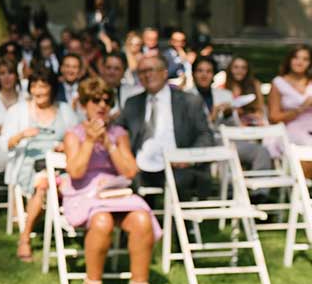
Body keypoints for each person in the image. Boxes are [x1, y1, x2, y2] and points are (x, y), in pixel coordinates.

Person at [61, 78, 161, 284]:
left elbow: (130, 171)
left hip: (117, 193)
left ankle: (140, 281)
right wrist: (90, 142)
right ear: (84, 104)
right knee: (102, 221)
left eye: (107, 100)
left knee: (142, 219)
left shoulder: (119, 133)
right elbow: (75, 172)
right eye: (95, 100)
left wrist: (108, 144)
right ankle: (93, 283)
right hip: (85, 193)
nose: (102, 105)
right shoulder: (73, 135)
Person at [3, 68, 78, 261]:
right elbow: (7, 144)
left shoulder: (64, 110)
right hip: (30, 164)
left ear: (52, 88)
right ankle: (25, 237)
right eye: (34, 86)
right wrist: (21, 135)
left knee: (65, 180)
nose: (38, 91)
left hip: (61, 162)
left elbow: (77, 136)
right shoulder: (18, 110)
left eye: (43, 86)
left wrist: (65, 146)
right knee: (44, 185)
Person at [117, 54, 215, 201]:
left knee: (179, 182)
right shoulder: (133, 103)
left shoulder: (189, 101)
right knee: (126, 180)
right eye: (142, 72)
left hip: (178, 164)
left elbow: (205, 135)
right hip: (141, 165)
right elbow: (118, 132)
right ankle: (143, 221)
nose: (147, 75)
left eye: (151, 70)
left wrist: (187, 158)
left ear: (164, 73)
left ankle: (180, 223)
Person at [189, 57, 273, 171]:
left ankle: (259, 189)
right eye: (200, 71)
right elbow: (189, 129)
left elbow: (234, 125)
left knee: (261, 151)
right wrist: (211, 118)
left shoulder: (225, 95)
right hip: (201, 144)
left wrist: (228, 114)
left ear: (213, 74)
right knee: (227, 155)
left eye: (208, 71)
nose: (204, 75)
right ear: (193, 73)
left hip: (226, 139)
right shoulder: (185, 96)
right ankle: (228, 187)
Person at [268, 44, 312, 149]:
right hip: (293, 130)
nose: (300, 62)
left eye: (305, 59)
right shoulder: (279, 82)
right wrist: (301, 108)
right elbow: (273, 118)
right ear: (289, 60)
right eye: (296, 57)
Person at [224, 56, 267, 126]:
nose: (239, 71)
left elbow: (260, 109)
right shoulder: (223, 88)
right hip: (232, 127)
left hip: (253, 126)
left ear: (247, 70)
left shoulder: (255, 84)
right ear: (230, 69)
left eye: (243, 68)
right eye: (236, 67)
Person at [101, 51, 142, 117]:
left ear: (124, 71)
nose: (112, 72)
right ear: (102, 69)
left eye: (117, 69)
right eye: (108, 68)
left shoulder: (135, 92)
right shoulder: (92, 91)